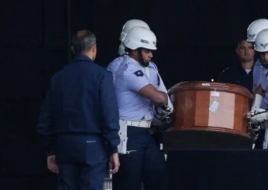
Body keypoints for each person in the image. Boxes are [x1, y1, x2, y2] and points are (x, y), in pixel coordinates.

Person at [37, 30, 121, 190]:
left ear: (73, 49)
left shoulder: (58, 77)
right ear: (94, 48)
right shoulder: (102, 76)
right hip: (93, 146)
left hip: (64, 145)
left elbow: (46, 118)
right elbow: (109, 115)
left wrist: (49, 150)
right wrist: (113, 148)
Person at [111, 26, 172, 190]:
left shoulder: (143, 68)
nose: (151, 55)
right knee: (129, 184)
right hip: (129, 132)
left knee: (158, 175)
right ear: (134, 49)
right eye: (147, 51)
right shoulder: (128, 70)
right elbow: (159, 97)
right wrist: (166, 97)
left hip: (145, 132)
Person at [248, 27, 268, 149]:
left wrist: (265, 114)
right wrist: (255, 110)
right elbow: (259, 88)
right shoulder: (259, 65)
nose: (266, 57)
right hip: (263, 120)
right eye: (262, 52)